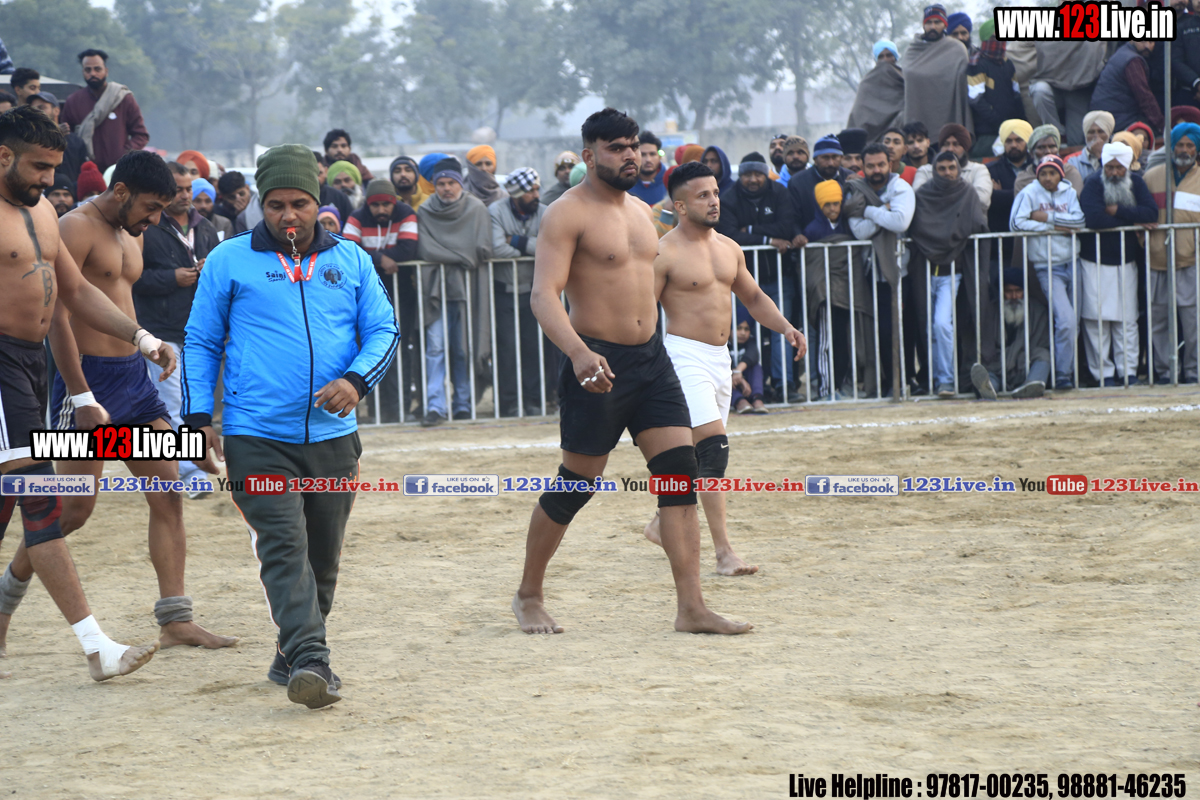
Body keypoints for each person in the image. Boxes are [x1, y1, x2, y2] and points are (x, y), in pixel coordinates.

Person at [511, 107, 751, 636]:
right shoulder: (566, 214)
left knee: (679, 473)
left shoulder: (645, 213)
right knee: (576, 485)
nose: (630, 156)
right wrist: (578, 353)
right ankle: (528, 594)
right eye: (617, 148)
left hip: (652, 361)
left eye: (634, 146)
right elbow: (543, 296)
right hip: (596, 360)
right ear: (590, 154)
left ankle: (692, 608)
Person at [182, 143, 398, 708]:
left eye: (299, 203)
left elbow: (384, 330)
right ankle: (311, 661)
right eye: (275, 205)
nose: (288, 216)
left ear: (316, 202)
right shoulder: (229, 259)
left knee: (322, 559)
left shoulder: (351, 260)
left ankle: (290, 655)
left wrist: (356, 381)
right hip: (255, 436)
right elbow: (200, 342)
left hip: (333, 437)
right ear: (260, 203)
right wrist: (198, 419)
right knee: (283, 546)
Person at [26, 150, 236, 653]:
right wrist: (80, 394)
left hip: (134, 380)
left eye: (163, 207)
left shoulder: (132, 232)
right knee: (72, 511)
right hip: (86, 382)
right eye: (151, 207)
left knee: (168, 493)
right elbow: (59, 318)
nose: (156, 218)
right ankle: (8, 592)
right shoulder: (74, 228)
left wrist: (148, 344)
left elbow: (121, 301)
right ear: (121, 191)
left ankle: (176, 619)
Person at [0, 106, 167, 682]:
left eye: (54, 168)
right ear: (3, 156)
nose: (50, 179)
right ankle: (97, 648)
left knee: (18, 504)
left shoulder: (43, 211)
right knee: (45, 503)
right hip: (5, 367)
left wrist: (142, 338)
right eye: (38, 167)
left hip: (31, 368)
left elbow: (74, 293)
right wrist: (81, 392)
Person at [641, 160, 804, 575]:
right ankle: (724, 553)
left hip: (720, 358)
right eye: (703, 196)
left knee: (699, 456)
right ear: (680, 206)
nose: (714, 201)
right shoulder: (663, 252)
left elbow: (754, 298)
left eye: (715, 193)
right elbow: (643, 313)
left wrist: (786, 327)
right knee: (714, 449)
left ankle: (661, 522)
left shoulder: (730, 247)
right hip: (682, 356)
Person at [133, 161, 222, 491]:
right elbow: (132, 277)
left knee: (194, 400)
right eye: (178, 189)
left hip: (198, 331)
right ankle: (188, 472)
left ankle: (186, 467)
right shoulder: (146, 227)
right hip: (159, 330)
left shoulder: (206, 227)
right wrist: (171, 278)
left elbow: (223, 278)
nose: (185, 195)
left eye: (189, 189)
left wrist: (209, 270)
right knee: (171, 402)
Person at [416, 158, 493, 425]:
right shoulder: (425, 211)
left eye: (451, 183)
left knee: (463, 348)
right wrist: (461, 256)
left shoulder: (476, 209)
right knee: (435, 348)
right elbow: (426, 249)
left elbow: (482, 249)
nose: (446, 188)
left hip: (469, 288)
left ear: (460, 183)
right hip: (435, 288)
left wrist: (454, 255)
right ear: (434, 185)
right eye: (441, 183)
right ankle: (435, 406)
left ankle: (463, 403)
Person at [908, 150, 990, 397]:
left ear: (958, 169)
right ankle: (934, 378)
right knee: (927, 327)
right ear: (934, 170)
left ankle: (946, 380)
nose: (947, 173)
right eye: (941, 168)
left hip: (951, 273)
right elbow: (917, 228)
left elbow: (976, 225)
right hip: (924, 273)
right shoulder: (923, 194)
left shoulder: (967, 193)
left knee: (942, 324)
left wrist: (949, 238)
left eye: (951, 168)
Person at [717, 153, 798, 398]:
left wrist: (751, 230)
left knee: (781, 330)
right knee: (742, 334)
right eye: (747, 174)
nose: (753, 179)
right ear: (740, 176)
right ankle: (744, 391)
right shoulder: (729, 197)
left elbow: (786, 227)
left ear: (765, 174)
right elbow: (730, 234)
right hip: (743, 282)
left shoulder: (779, 192)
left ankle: (784, 386)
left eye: (757, 174)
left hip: (778, 276)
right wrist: (768, 240)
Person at [1078, 141, 1158, 386]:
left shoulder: (1137, 183)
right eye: (1109, 167)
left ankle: (1128, 372)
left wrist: (1117, 210)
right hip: (1094, 261)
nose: (1113, 173)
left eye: (1118, 168)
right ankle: (1103, 375)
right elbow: (1093, 218)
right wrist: (1131, 223)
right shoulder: (1093, 183)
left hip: (1126, 261)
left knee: (1127, 320)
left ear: (1127, 166)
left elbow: (1151, 214)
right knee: (1096, 322)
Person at [342, 179, 419, 423]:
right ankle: (377, 411)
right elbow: (348, 249)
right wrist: (381, 259)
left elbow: (409, 248)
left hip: (401, 293)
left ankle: (399, 409)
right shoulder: (357, 217)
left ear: (394, 203)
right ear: (368, 205)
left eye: (386, 205)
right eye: (375, 205)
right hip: (366, 296)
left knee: (399, 350)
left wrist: (371, 257)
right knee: (370, 350)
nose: (381, 210)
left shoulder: (406, 213)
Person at [845, 143, 917, 397]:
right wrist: (884, 211)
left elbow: (900, 222)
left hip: (900, 271)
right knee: (881, 331)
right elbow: (860, 231)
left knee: (904, 329)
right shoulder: (855, 190)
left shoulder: (901, 188)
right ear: (863, 167)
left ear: (890, 164)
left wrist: (868, 211)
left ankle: (906, 381)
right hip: (870, 272)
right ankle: (889, 384)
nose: (876, 170)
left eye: (881, 165)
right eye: (871, 166)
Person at [1009, 154, 1085, 390]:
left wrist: (1046, 217)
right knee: (1065, 320)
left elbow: (1080, 221)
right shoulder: (1028, 193)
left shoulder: (1069, 192)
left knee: (1074, 323)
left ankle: (1066, 373)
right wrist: (1056, 226)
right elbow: (1016, 223)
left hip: (1073, 262)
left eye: (1052, 173)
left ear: (1060, 175)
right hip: (1047, 266)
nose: (1048, 178)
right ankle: (1062, 375)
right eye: (1043, 173)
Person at [490, 167, 557, 417]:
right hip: (504, 291)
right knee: (506, 348)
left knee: (534, 347)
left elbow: (550, 248)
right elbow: (496, 248)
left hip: (534, 291)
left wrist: (515, 240)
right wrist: (532, 248)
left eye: (537, 189)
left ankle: (533, 400)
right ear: (516, 193)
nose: (536, 195)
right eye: (530, 191)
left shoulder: (545, 212)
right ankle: (508, 403)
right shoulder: (496, 211)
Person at [1144, 123, 1200, 383]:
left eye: (1190, 145)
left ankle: (1194, 372)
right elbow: (1140, 215)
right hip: (1157, 261)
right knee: (1159, 322)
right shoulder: (1152, 177)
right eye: (1180, 145)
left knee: (1193, 322)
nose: (1184, 150)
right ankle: (1166, 373)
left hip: (1191, 261)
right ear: (1172, 147)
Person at [61, 49, 149, 172]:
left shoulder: (123, 98)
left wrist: (124, 154)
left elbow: (141, 135)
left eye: (97, 69)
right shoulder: (73, 101)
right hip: (84, 170)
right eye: (88, 70)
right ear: (83, 72)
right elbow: (66, 138)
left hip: (118, 170)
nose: (93, 73)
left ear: (106, 71)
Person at [904, 4, 972, 141]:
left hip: (948, 119)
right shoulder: (912, 50)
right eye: (929, 22)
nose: (933, 27)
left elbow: (962, 85)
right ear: (923, 25)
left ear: (945, 25)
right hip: (917, 121)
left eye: (937, 22)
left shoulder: (957, 49)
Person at [1029, 42, 1107, 147]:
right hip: (1051, 83)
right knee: (1039, 90)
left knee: (1077, 142)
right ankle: (1055, 134)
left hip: (1080, 88)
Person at [968, 19, 1025, 145]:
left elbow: (1016, 96)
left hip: (1011, 130)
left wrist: (1021, 123)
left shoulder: (1007, 63)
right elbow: (976, 100)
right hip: (987, 132)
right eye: (994, 37)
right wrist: (999, 122)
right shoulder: (977, 64)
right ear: (985, 39)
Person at [913, 123, 993, 210]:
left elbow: (981, 200)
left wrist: (936, 199)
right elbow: (919, 199)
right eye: (946, 144)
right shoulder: (925, 171)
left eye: (956, 144)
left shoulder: (978, 170)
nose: (950, 149)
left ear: (965, 148)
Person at [1090, 41, 1164, 134]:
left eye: (1151, 42)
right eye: (1143, 41)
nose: (1147, 46)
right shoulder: (1132, 61)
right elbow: (1144, 97)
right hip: (1118, 118)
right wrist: (1162, 126)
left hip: (1109, 114)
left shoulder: (1123, 53)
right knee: (1146, 134)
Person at [988, 119, 1033, 267]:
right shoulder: (990, 170)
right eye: (1008, 141)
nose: (1013, 145)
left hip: (1033, 243)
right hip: (1002, 247)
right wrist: (1025, 195)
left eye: (1018, 140)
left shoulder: (1038, 168)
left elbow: (1039, 199)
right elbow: (991, 200)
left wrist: (1003, 194)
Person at [847, 41, 905, 144]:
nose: (885, 60)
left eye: (889, 55)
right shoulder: (866, 83)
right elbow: (858, 116)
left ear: (895, 58)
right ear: (876, 60)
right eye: (881, 57)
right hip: (871, 143)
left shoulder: (905, 80)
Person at [28, 92, 87, 183]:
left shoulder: (76, 141)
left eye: (41, 108)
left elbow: (83, 171)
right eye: (33, 110)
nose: (37, 113)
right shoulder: (29, 140)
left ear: (56, 111)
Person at [1013, 125, 1085, 195]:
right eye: (1041, 147)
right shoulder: (1023, 180)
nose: (1048, 151)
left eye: (1052, 146)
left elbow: (1075, 199)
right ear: (1032, 153)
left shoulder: (1069, 172)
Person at [730, 313, 766, 414]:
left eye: (746, 329)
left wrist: (738, 371)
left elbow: (753, 354)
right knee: (722, 374)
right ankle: (740, 401)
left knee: (756, 367)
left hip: (747, 385)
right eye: (738, 328)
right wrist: (737, 376)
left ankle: (757, 399)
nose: (743, 333)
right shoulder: (722, 344)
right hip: (731, 384)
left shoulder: (750, 341)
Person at [629, 131, 667, 205]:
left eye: (652, 154)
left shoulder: (671, 183)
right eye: (643, 154)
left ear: (659, 157)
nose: (648, 159)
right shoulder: (623, 184)